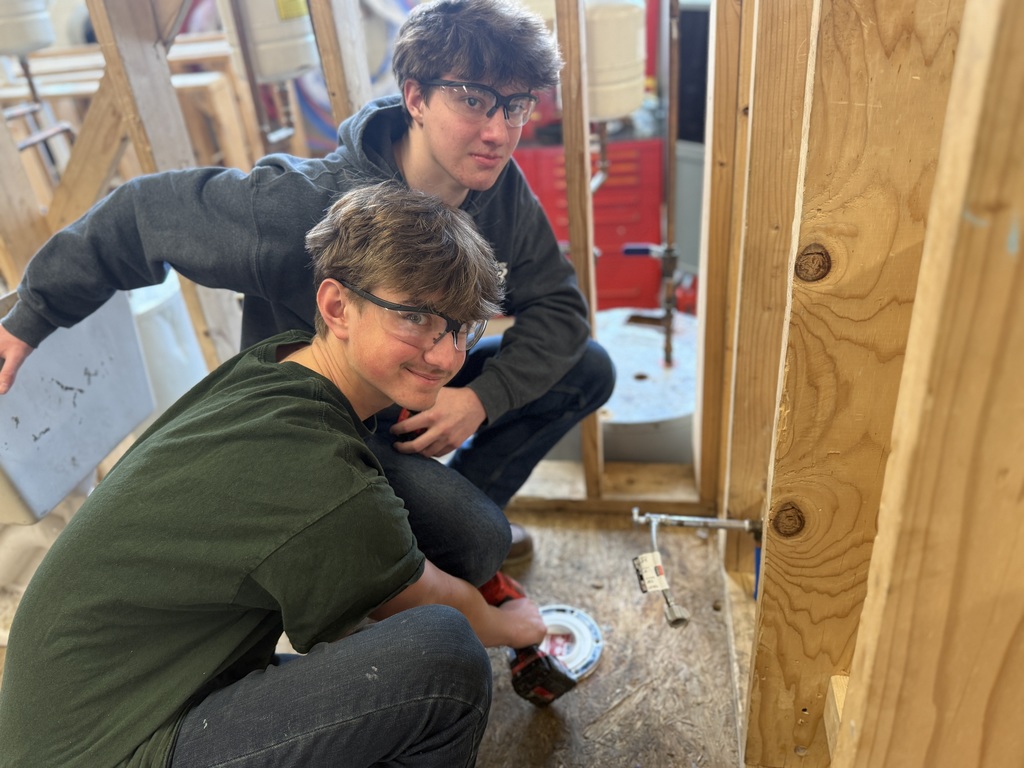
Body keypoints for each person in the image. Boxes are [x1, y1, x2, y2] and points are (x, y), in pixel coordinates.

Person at [0, 0, 616, 569]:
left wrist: (481, 399)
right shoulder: (302, 206)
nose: (498, 132)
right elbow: (138, 217)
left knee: (586, 367)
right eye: (474, 100)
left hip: (414, 381)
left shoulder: (495, 185)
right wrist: (31, 318)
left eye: (515, 106)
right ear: (416, 97)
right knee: (478, 542)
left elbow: (560, 310)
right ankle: (438, 545)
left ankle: (449, 527)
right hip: (325, 428)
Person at [0, 182, 546, 767]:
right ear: (337, 306)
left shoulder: (280, 364)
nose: (444, 355)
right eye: (414, 317)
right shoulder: (317, 471)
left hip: (117, 693)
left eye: (462, 328)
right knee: (446, 659)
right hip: (109, 749)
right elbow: (430, 601)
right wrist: (514, 626)